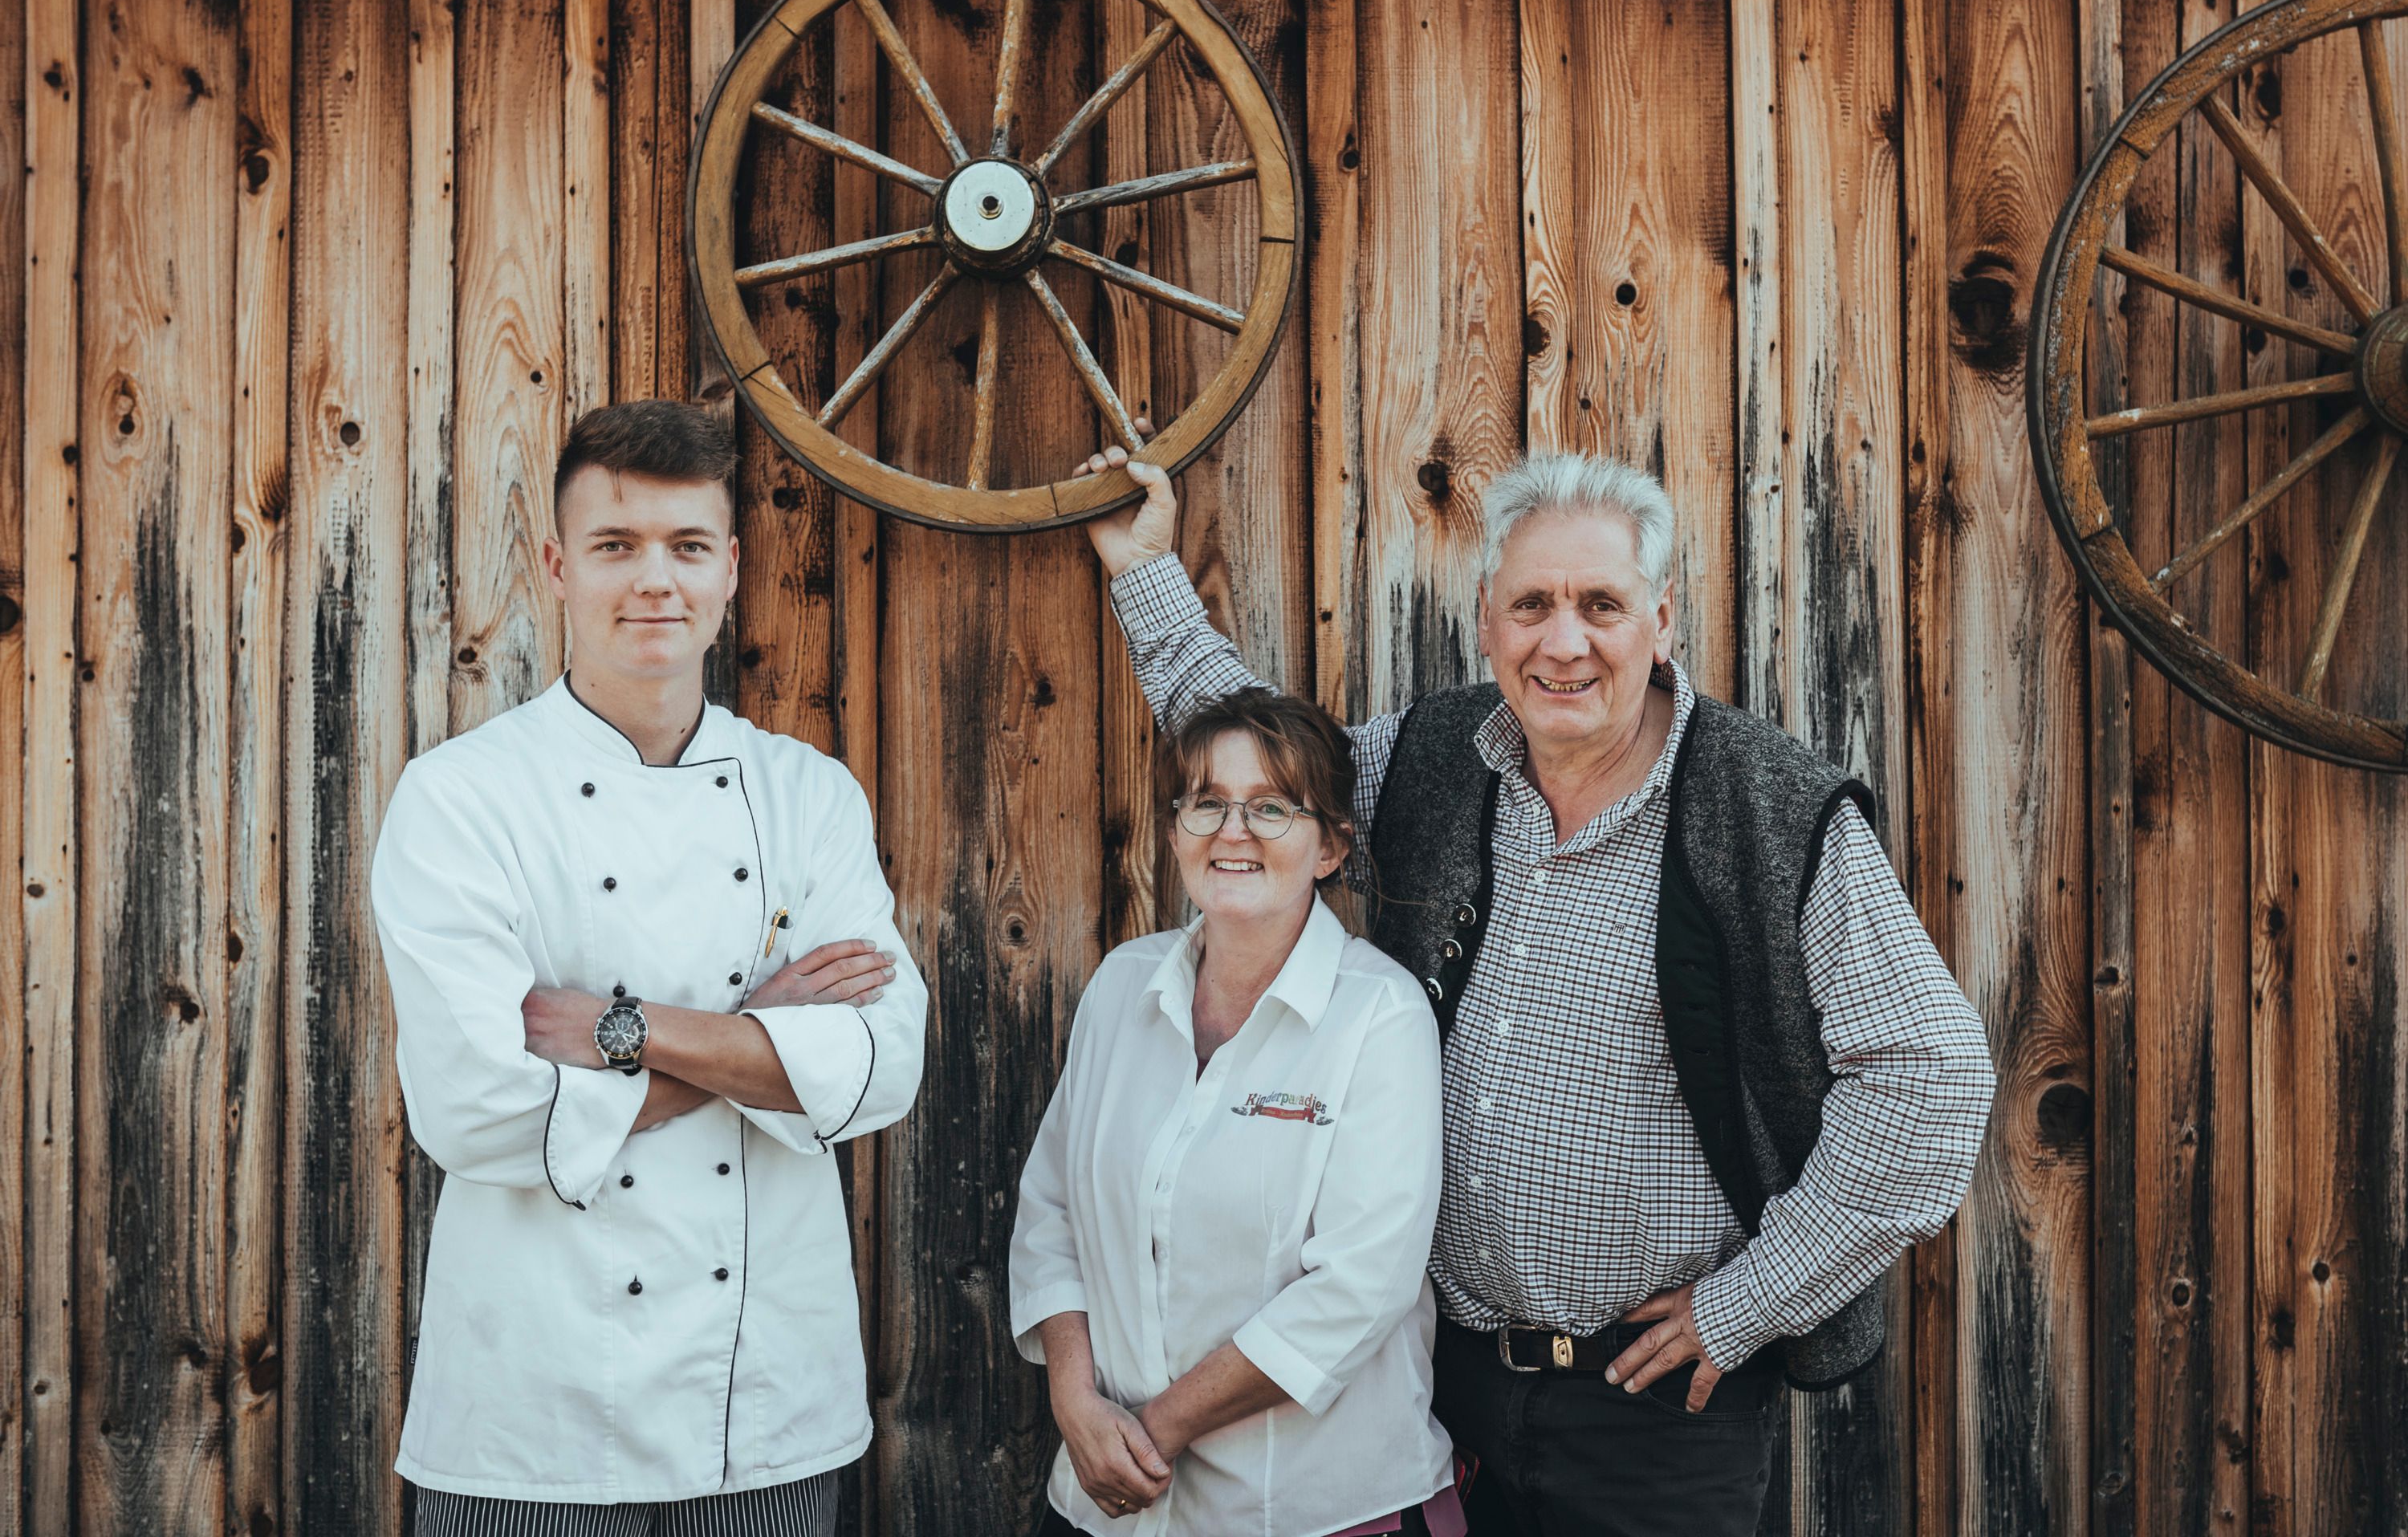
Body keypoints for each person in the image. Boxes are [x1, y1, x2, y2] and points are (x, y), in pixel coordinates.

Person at [1068, 442, 1996, 1537]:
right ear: (1487, 619)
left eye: (1601, 604)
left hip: (1651, 1415)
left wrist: (1746, 1305)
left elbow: (1932, 1083)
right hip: (1440, 1392)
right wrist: (1144, 573)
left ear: (1661, 619)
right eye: (1532, 605)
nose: (1565, 642)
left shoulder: (1764, 804)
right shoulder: (1434, 762)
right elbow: (1266, 778)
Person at [372, 401, 928, 1533]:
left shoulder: (808, 793)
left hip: (764, 1410)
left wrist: (624, 1032)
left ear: (730, 568)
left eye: (685, 548)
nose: (653, 582)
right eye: (616, 547)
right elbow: (477, 1109)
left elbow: (880, 1067)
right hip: (528, 1421)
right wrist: (763, 1038)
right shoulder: (461, 799)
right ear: (556, 567)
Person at [1010, 688, 1464, 1537]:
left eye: (1270, 806)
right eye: (1207, 802)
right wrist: (1075, 1402)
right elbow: (1051, 1213)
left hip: (1311, 1511)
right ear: (1177, 827)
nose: (1232, 829)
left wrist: (1155, 1431)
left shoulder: (1379, 1015)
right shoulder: (1120, 988)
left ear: (1331, 844)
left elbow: (1361, 1285)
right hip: (1097, 1500)